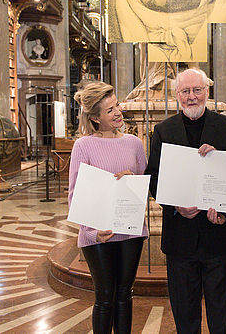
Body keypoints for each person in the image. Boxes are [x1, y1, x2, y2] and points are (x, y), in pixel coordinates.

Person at [145, 68, 226, 333]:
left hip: (220, 238)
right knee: (185, 316)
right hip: (180, 241)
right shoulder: (163, 131)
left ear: (207, 92)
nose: (191, 97)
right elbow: (152, 178)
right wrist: (175, 206)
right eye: (185, 91)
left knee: (223, 315)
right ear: (176, 95)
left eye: (197, 90)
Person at [68, 81, 148, 334]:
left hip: (131, 231)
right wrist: (91, 232)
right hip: (98, 233)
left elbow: (145, 185)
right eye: (110, 110)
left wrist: (132, 180)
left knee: (125, 294)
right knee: (104, 296)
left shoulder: (134, 143)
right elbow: (75, 195)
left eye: (117, 105)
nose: (118, 112)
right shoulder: (83, 146)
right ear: (94, 118)